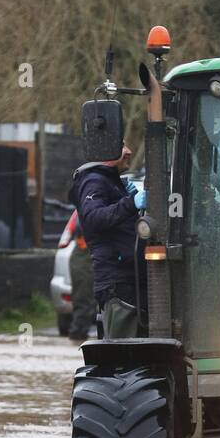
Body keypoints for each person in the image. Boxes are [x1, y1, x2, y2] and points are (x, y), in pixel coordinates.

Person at [70, 143, 147, 339]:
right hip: (118, 285)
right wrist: (131, 203)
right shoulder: (94, 181)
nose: (129, 151)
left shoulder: (110, 182)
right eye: (122, 146)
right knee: (123, 355)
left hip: (129, 281)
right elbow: (93, 218)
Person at [67, 214, 95, 345]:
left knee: (85, 300)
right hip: (82, 265)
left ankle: (79, 332)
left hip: (83, 263)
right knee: (82, 299)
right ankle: (78, 333)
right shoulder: (84, 216)